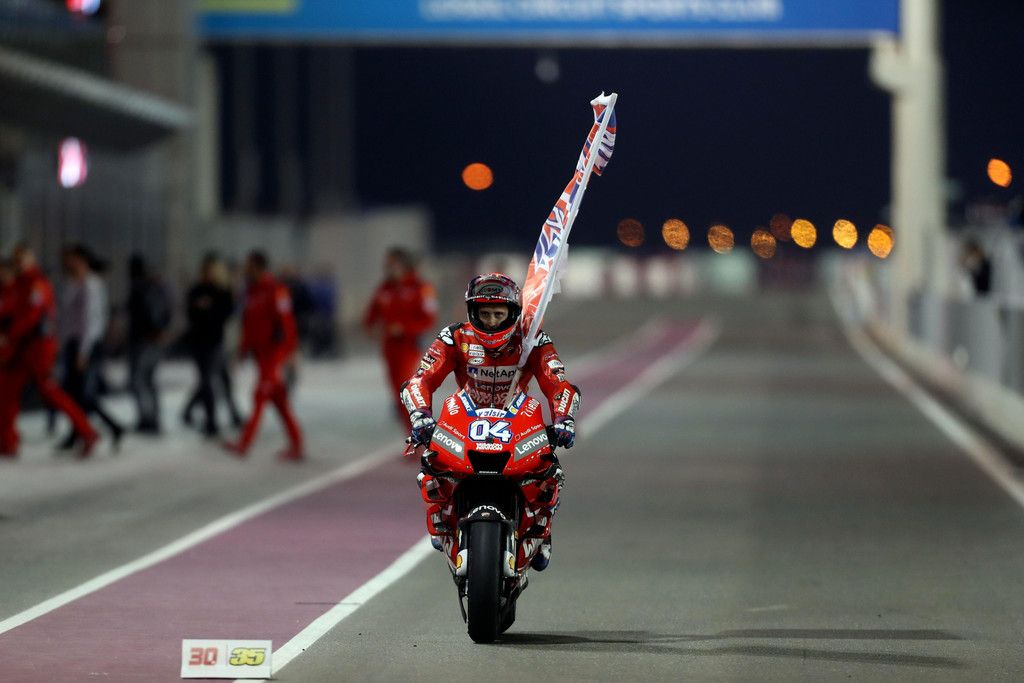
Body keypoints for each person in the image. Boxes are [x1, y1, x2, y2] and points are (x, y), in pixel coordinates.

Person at [400, 273, 580, 570]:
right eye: (485, 314)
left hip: (519, 417)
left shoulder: (533, 339)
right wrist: (420, 415)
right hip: (464, 415)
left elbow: (558, 383)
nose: (492, 321)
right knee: (431, 464)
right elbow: (421, 379)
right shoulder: (454, 337)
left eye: (499, 314)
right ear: (473, 312)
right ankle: (442, 516)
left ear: (512, 312)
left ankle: (541, 529)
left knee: (549, 469)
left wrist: (564, 419)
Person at [0, 245, 99, 458]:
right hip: (20, 350)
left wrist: (9, 335)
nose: (19, 263)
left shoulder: (37, 284)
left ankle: (87, 432)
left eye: (22, 258)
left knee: (50, 392)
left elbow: (31, 315)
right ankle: (7, 442)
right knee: (6, 393)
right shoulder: (17, 285)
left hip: (37, 349)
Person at [223, 250, 304, 460]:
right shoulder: (251, 292)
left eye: (248, 266)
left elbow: (287, 322)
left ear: (258, 267)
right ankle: (297, 445)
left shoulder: (277, 290)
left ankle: (244, 443)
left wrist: (291, 352)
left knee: (259, 395)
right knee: (279, 401)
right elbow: (248, 324)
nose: (245, 270)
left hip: (273, 355)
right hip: (260, 355)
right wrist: (242, 350)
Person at [58, 245, 124, 451]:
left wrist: (83, 351)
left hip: (87, 345)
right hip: (72, 343)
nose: (67, 263)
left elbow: (91, 321)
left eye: (71, 259)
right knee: (72, 393)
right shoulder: (72, 283)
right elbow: (67, 318)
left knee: (86, 394)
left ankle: (111, 427)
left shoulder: (92, 285)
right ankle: (78, 431)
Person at [363, 248, 437, 417]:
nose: (388, 268)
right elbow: (372, 313)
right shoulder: (385, 287)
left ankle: (418, 425)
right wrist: (369, 327)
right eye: (386, 264)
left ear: (404, 265)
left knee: (405, 389)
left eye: (392, 264)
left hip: (409, 346)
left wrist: (404, 328)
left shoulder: (421, 287)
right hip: (389, 347)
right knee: (396, 391)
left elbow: (428, 320)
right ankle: (411, 427)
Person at [182, 253, 241, 437]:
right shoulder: (197, 290)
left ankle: (230, 414)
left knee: (219, 380)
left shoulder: (222, 291)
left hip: (216, 342)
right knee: (207, 380)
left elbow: (227, 313)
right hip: (199, 342)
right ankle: (211, 419)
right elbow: (191, 313)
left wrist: (209, 309)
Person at [127, 254, 171, 434]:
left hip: (144, 340)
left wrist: (155, 330)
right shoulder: (154, 287)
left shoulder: (142, 288)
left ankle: (148, 418)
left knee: (140, 380)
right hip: (150, 339)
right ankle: (151, 417)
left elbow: (149, 314)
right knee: (148, 380)